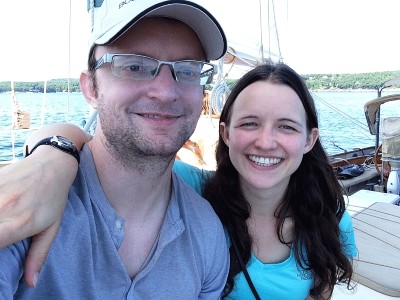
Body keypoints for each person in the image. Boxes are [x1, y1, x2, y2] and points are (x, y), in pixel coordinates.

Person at [0, 61, 357, 299]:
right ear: (226, 134)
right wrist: (52, 155)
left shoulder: (328, 213)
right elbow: (107, 152)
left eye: (286, 127)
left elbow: (319, 292)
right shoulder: (193, 188)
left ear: (309, 140)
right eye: (249, 123)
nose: (266, 141)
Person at [0, 0, 231, 298]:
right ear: (91, 89)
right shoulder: (25, 207)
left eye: (187, 71)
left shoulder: (207, 233)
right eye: (134, 66)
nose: (165, 91)